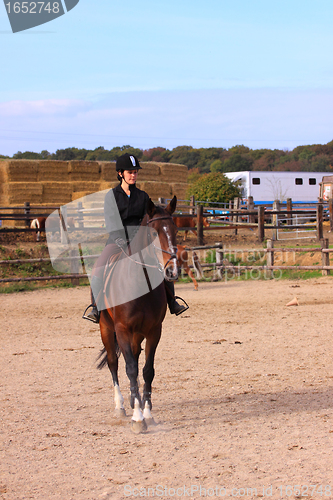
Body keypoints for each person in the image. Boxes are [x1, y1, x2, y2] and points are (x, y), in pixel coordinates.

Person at [83, 153, 188, 323]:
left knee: (162, 264)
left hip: (140, 241)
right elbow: (111, 222)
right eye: (130, 172)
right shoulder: (112, 196)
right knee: (99, 266)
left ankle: (172, 301)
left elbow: (148, 220)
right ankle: (95, 307)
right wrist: (121, 241)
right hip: (116, 241)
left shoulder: (143, 196)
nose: (133, 175)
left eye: (135, 172)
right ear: (120, 173)